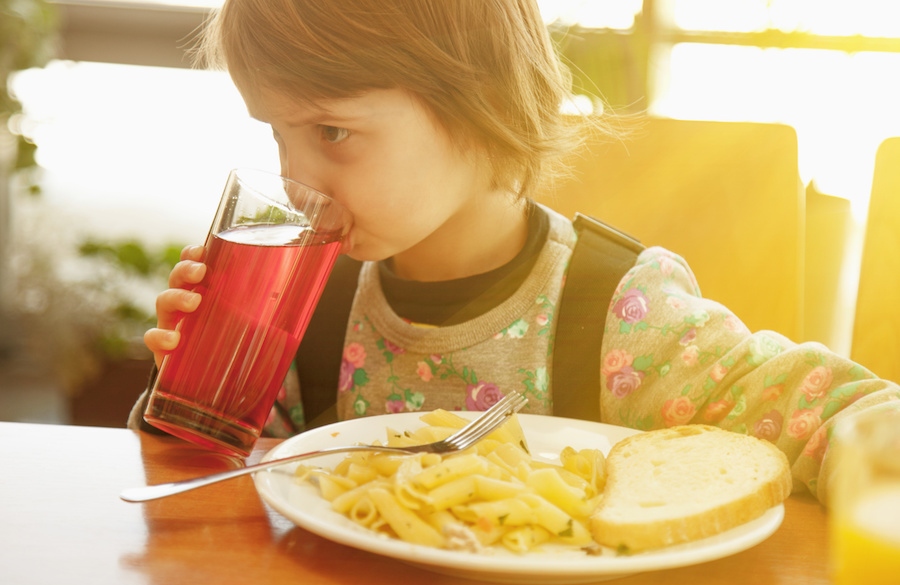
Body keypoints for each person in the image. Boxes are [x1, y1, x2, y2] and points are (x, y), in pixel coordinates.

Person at [128, 0, 899, 505]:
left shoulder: (618, 314)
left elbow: (838, 414)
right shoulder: (316, 307)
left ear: (480, 105)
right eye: (275, 133)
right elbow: (219, 488)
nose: (295, 180)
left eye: (332, 133)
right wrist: (192, 398)